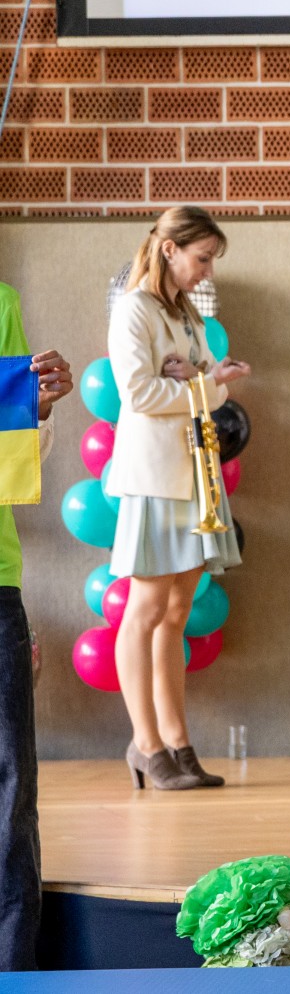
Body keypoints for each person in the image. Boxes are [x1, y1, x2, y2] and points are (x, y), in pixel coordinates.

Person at [106, 207, 249, 791]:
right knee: (144, 613)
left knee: (176, 615)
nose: (207, 271)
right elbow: (139, 394)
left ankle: (178, 742)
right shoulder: (134, 310)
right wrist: (201, 382)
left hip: (195, 477)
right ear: (170, 249)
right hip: (155, 478)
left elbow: (210, 385)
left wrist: (197, 379)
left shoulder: (187, 313)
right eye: (202, 258)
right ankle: (145, 745)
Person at [0, 282, 72, 970]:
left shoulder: (0, 304)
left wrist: (36, 408)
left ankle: (11, 971)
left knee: (10, 788)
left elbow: (14, 457)